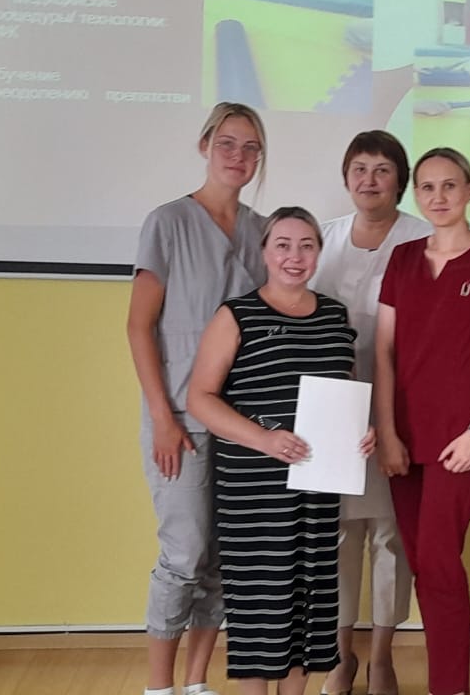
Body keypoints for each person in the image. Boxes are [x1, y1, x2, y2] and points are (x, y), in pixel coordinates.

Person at [186, 206, 372, 695]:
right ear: (264, 252)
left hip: (318, 486)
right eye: (283, 245)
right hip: (254, 488)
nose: (295, 256)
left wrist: (362, 431)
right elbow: (200, 398)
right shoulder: (236, 314)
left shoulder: (335, 316)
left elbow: (345, 391)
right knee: (259, 603)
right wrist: (263, 439)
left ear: (319, 253)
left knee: (308, 603)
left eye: (307, 245)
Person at [126, 101, 269, 695]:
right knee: (184, 552)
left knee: (222, 558)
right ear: (205, 146)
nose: (239, 156)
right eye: (227, 143)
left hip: (242, 422)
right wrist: (162, 417)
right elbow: (139, 326)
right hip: (180, 421)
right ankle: (159, 686)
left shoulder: (264, 233)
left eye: (251, 148)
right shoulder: (168, 223)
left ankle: (195, 681)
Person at [374, 147, 470, 695]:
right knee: (424, 564)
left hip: (462, 439)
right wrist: (387, 432)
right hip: (404, 437)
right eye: (427, 187)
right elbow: (384, 351)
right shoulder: (402, 259)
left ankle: (450, 687)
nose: (438, 197)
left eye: (449, 185)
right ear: (416, 193)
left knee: (438, 559)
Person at [313, 132, 431, 695]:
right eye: (359, 168)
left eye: (382, 170)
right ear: (346, 177)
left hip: (399, 404)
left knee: (390, 534)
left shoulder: (422, 238)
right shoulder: (323, 239)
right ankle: (342, 657)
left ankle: (382, 655)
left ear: (399, 181)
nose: (369, 180)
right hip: (332, 408)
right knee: (336, 536)